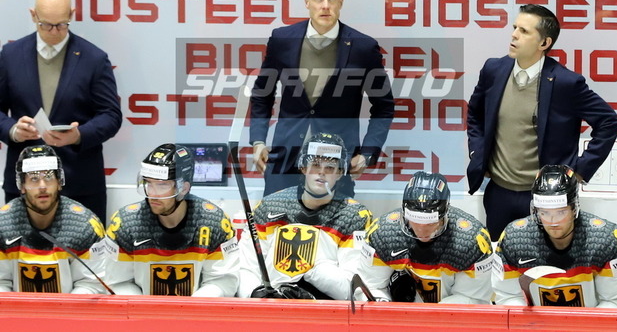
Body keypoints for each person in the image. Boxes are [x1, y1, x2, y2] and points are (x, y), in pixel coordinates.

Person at [466, 4, 617, 241]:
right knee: (499, 258)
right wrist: (477, 153)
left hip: (548, 198)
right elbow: (475, 114)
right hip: (498, 193)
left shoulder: (566, 83)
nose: (514, 35)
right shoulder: (493, 69)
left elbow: (609, 122)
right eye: (515, 27)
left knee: (546, 261)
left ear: (544, 43)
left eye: (524, 31)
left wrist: (580, 171)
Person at [250, 0, 395, 196]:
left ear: (341, 2)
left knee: (337, 221)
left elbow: (384, 106)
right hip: (285, 159)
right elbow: (262, 93)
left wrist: (368, 152)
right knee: (276, 218)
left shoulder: (363, 47)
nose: (325, 6)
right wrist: (258, 140)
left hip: (336, 163)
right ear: (307, 2)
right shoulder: (282, 39)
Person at [0, 0, 122, 224]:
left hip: (79, 182)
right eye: (46, 25)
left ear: (72, 15)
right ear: (33, 15)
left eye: (62, 25)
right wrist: (13, 130)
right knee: (20, 246)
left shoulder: (94, 58)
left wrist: (79, 135)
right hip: (25, 183)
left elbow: (111, 115)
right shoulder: (10, 55)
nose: (54, 32)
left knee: (87, 247)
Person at [237, 132, 373, 300]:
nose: (321, 172)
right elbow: (246, 268)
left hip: (327, 308)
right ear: (303, 167)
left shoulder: (355, 216)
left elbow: (353, 289)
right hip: (273, 303)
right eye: (315, 164)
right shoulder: (268, 206)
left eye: (330, 167)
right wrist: (254, 293)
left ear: (339, 173)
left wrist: (311, 268)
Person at [493, 164, 617, 307]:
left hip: (592, 321)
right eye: (544, 212)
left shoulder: (605, 238)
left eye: (561, 212)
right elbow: (508, 297)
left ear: (574, 208)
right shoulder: (514, 239)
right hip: (536, 322)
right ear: (536, 210)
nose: (553, 221)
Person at [104, 143, 239, 296]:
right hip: (142, 309)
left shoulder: (214, 222)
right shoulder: (125, 223)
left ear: (184, 188)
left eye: (162, 186)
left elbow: (222, 281)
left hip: (197, 309)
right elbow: (118, 282)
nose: (153, 194)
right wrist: (145, 307)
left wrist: (190, 307)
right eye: (149, 183)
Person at [356, 171, 493, 304]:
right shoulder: (383, 233)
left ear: (445, 213)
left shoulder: (472, 240)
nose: (422, 231)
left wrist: (430, 315)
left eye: (430, 223)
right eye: (415, 221)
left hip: (452, 315)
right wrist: (384, 306)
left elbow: (472, 298)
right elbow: (370, 286)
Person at [0, 145, 107, 293]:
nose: (42, 186)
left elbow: (91, 285)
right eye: (34, 179)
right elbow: (2, 283)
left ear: (59, 182)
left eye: (49, 177)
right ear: (22, 185)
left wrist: (62, 307)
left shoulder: (84, 224)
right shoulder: (3, 223)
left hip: (70, 306)